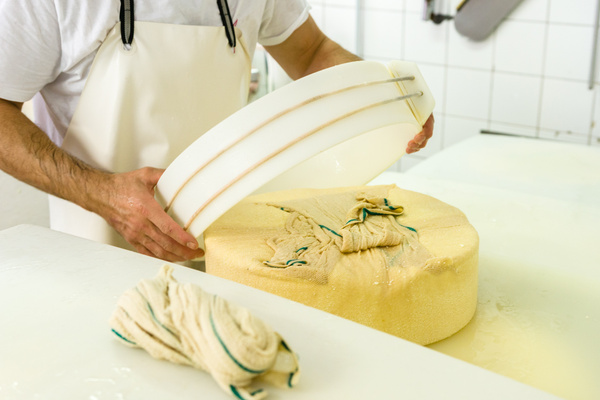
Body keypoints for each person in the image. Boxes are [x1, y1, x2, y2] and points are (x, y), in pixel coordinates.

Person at [0, 0, 433, 263]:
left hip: (227, 247)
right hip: (96, 253)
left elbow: (313, 53)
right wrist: (104, 194)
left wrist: (383, 96)